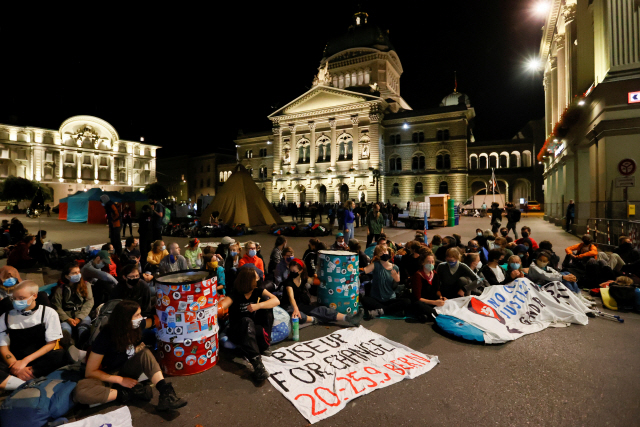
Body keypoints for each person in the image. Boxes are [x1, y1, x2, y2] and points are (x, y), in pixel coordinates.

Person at [74, 300, 187, 410]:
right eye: (137, 315)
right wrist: (120, 380)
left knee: (145, 353)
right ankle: (130, 393)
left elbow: (155, 321)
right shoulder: (106, 336)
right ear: (125, 319)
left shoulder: (135, 325)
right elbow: (90, 372)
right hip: (106, 375)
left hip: (125, 368)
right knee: (81, 392)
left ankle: (166, 393)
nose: (140, 318)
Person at [0, 281, 68, 391]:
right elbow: (3, 347)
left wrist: (25, 361)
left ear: (34, 296)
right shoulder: (5, 317)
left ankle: (20, 379)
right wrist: (16, 367)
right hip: (14, 362)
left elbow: (51, 344)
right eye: (14, 298)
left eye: (21, 298)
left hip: (38, 359)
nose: (17, 302)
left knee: (61, 355)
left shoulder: (48, 313)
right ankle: (25, 383)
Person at [219, 268, 279, 381]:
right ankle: (258, 366)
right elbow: (222, 306)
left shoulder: (258, 289)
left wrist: (258, 306)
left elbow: (276, 300)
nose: (258, 279)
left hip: (252, 328)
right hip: (238, 330)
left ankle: (265, 345)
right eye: (255, 277)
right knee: (246, 321)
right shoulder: (235, 293)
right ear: (248, 280)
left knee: (267, 309)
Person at [281, 259, 363, 326]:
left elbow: (316, 281)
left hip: (300, 305)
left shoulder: (303, 279)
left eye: (294, 271)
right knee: (298, 316)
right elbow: (291, 297)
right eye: (290, 270)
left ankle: (349, 318)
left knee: (322, 310)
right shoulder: (289, 283)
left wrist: (331, 280)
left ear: (300, 271)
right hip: (289, 306)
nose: (291, 272)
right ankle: (314, 319)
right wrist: (295, 309)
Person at [361, 245, 411, 318]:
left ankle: (381, 311)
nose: (384, 254)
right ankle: (389, 310)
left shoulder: (395, 268)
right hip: (376, 299)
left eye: (385, 251)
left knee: (407, 301)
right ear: (377, 256)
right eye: (381, 253)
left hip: (390, 299)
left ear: (388, 252)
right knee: (364, 299)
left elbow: (394, 288)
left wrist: (396, 281)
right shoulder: (375, 265)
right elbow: (363, 271)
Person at [52, 262, 93, 349]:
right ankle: (68, 346)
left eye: (78, 272)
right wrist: (67, 319)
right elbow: (57, 306)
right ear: (67, 276)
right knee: (65, 329)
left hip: (81, 313)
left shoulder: (86, 285)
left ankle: (83, 344)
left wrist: (79, 317)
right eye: (74, 273)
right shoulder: (60, 289)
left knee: (84, 325)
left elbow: (89, 302)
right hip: (66, 315)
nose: (78, 275)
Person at [410, 250, 442, 322]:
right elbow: (417, 298)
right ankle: (431, 315)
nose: (431, 264)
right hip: (422, 302)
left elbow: (437, 290)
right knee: (418, 305)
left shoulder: (435, 274)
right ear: (422, 263)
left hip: (432, 301)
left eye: (432, 262)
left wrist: (441, 297)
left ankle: (427, 315)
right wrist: (435, 302)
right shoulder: (418, 276)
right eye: (428, 262)